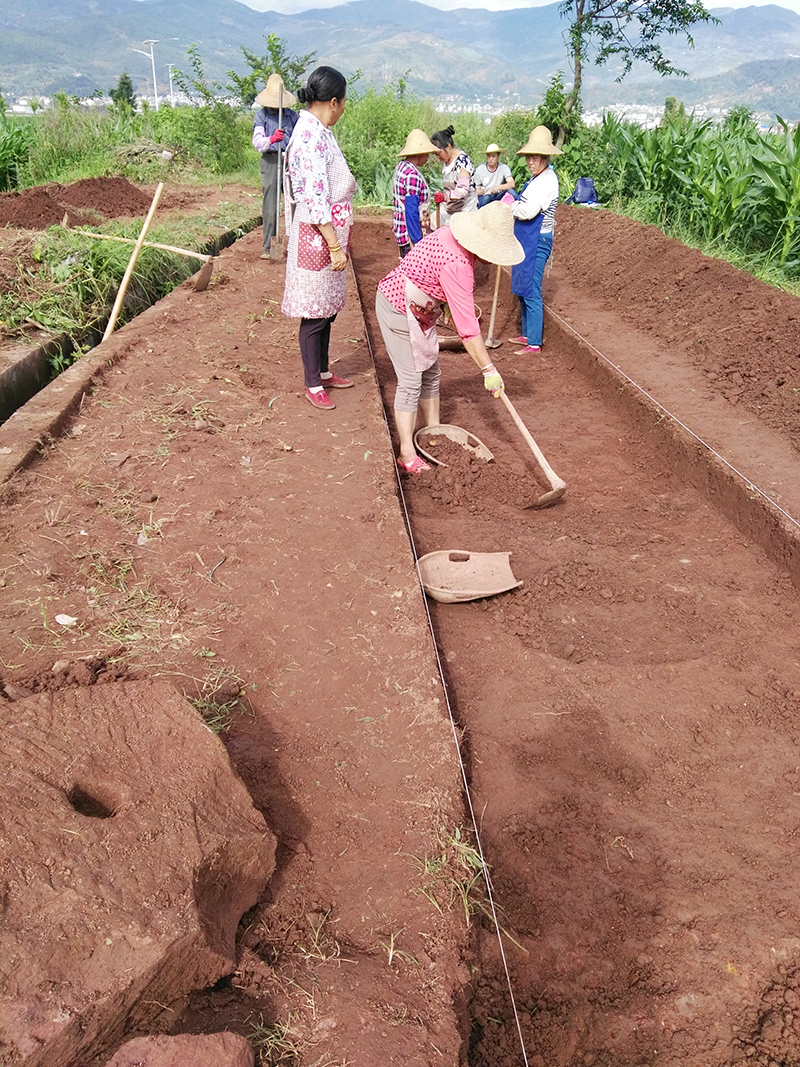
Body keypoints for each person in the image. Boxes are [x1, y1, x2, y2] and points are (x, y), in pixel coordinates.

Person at [375, 201, 524, 473]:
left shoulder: (451, 236)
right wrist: (488, 370)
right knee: (410, 381)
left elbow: (431, 274)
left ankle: (433, 434)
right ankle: (407, 453)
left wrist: (442, 303)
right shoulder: (458, 265)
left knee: (431, 372)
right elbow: (468, 331)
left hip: (421, 311)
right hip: (397, 306)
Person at [281, 66, 356, 411]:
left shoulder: (320, 130)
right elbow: (314, 197)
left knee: (327, 309)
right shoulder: (309, 137)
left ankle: (323, 370)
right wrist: (334, 244)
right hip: (317, 234)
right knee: (314, 313)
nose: (344, 110)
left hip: (326, 232)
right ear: (333, 101)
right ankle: (313, 382)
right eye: (344, 104)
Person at [507, 126, 561, 355]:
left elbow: (528, 211)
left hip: (537, 239)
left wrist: (512, 205)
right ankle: (528, 334)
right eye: (529, 157)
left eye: (535, 158)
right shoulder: (537, 178)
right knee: (522, 287)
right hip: (526, 237)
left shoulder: (546, 181)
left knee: (531, 289)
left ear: (545, 158)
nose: (530, 162)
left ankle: (535, 343)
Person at [252, 73, 299, 258]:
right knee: (270, 205)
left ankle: (296, 245)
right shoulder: (261, 115)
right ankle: (268, 247)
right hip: (270, 160)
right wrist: (272, 139)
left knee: (295, 203)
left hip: (289, 161)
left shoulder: (292, 116)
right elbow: (257, 142)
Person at [392, 129, 438, 257]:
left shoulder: (402, 167)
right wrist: (417, 242)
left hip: (401, 231)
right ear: (419, 153)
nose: (428, 157)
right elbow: (411, 210)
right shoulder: (412, 176)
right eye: (426, 154)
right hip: (410, 234)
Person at [430, 126, 477, 221]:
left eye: (439, 153)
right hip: (450, 208)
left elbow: (463, 189)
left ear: (448, 146)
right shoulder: (446, 162)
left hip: (465, 209)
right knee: (433, 220)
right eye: (436, 155)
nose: (438, 157)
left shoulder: (463, 161)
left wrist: (445, 196)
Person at [474, 143, 515, 208]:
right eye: (488, 156)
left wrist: (499, 187)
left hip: (498, 194)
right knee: (485, 199)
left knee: (511, 192)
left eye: (493, 156)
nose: (490, 159)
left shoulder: (504, 167)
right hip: (486, 195)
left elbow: (511, 184)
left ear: (498, 157)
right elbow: (476, 188)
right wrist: (480, 192)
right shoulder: (480, 169)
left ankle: (520, 207)